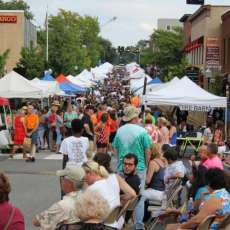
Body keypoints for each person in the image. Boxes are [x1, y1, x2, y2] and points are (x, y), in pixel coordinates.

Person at [112, 106, 152, 230]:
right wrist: (145, 165)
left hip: (122, 167)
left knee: (120, 196)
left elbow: (115, 149)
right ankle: (138, 225)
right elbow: (148, 150)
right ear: (135, 118)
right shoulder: (142, 131)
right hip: (138, 167)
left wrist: (119, 163)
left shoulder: (120, 130)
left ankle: (119, 222)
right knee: (139, 198)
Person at [165, 168, 230, 230]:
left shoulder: (215, 198)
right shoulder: (225, 194)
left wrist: (181, 226)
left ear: (209, 183)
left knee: (170, 227)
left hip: (206, 228)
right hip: (216, 227)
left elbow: (197, 220)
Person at [82, 160, 136, 229]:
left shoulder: (91, 189)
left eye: (84, 176)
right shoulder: (115, 177)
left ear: (90, 173)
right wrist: (117, 198)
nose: (84, 178)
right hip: (117, 221)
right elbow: (132, 194)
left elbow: (85, 215)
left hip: (102, 226)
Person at [33, 165, 85, 229]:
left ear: (69, 182)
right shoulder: (88, 198)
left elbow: (36, 222)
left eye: (62, 177)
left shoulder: (62, 205)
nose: (61, 180)